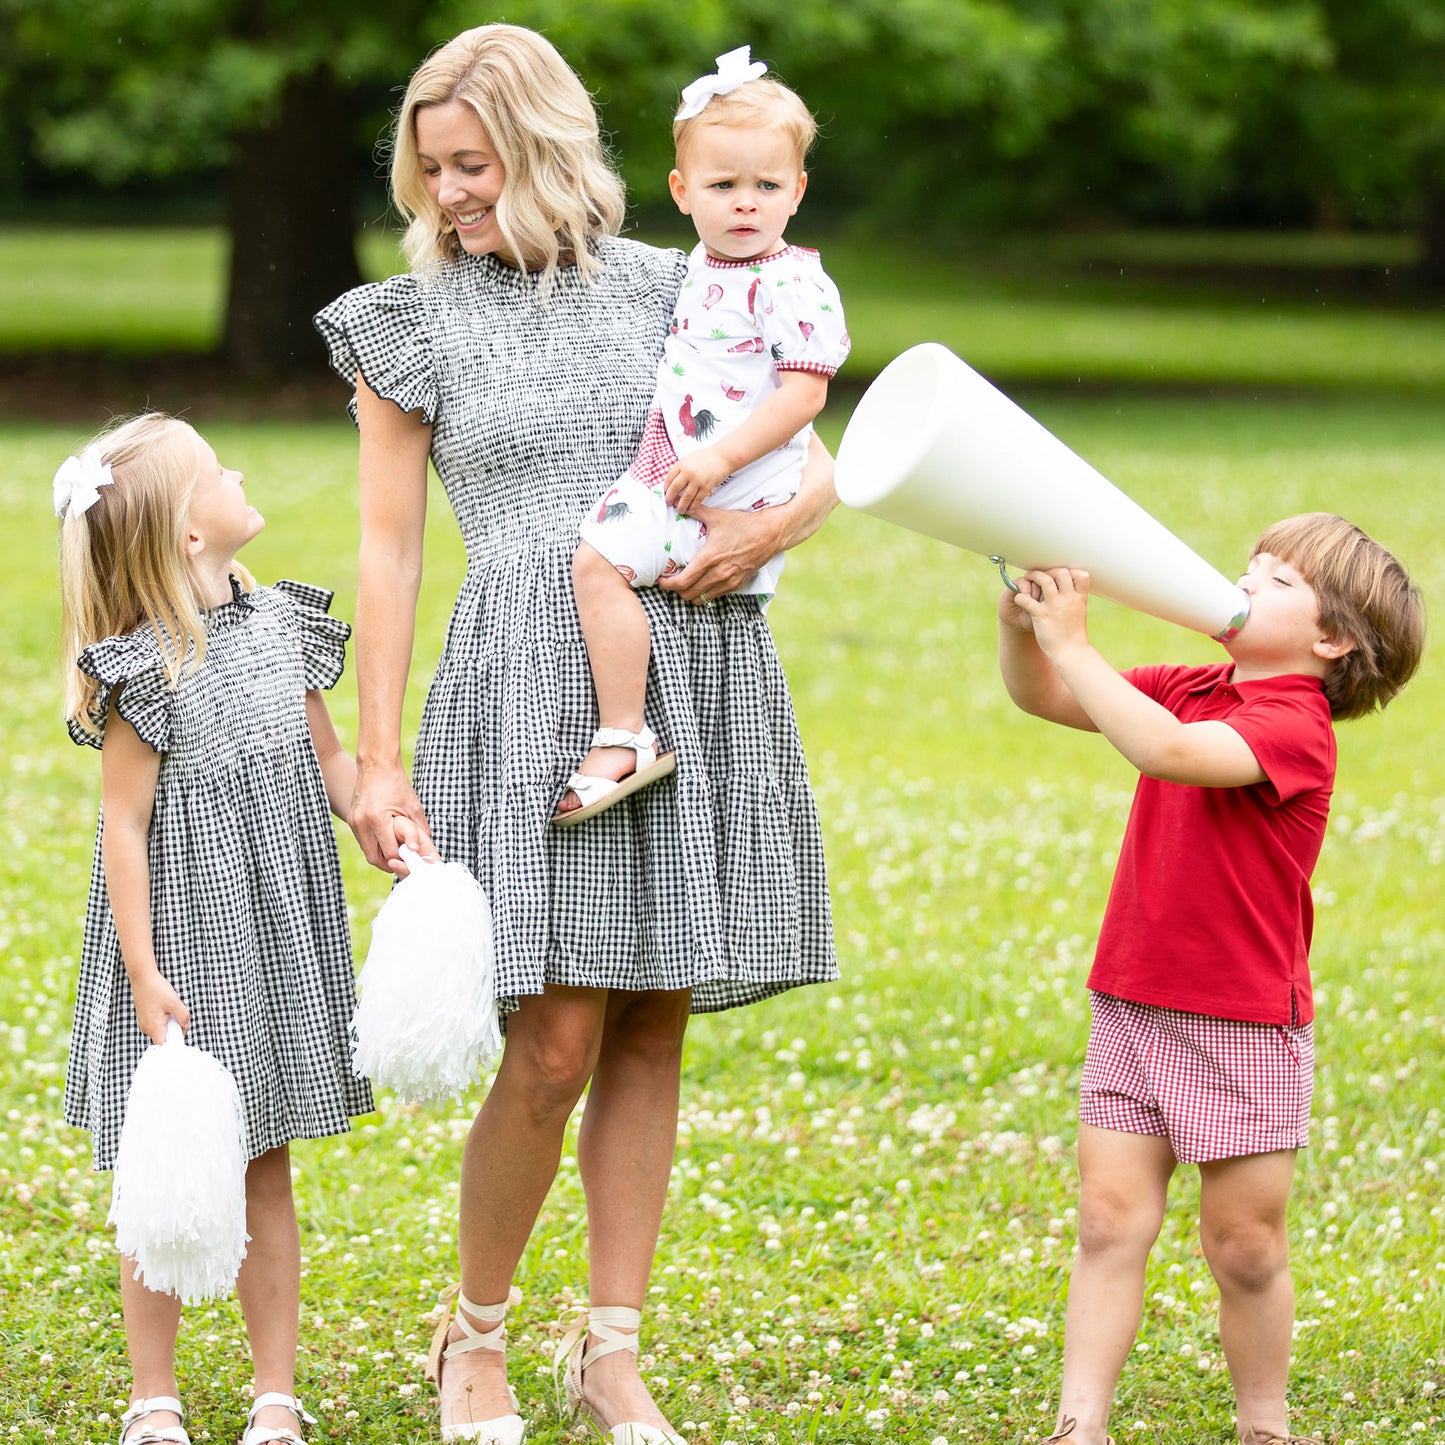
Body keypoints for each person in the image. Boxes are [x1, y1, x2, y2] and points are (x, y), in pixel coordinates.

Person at [313, 24, 839, 1445]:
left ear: (544, 150)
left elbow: (812, 450)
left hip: (697, 660)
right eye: (432, 172)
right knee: (549, 1039)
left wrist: (770, 528)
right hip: (523, 681)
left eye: (473, 166)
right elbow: (388, 554)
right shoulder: (406, 322)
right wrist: (377, 758)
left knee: (654, 1024)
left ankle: (612, 1352)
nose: (451, 198)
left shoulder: (690, 284)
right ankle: (470, 1339)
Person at [996, 513, 1425, 1445]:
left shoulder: (1295, 726)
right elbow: (1050, 699)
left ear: (1331, 639)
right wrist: (1024, 628)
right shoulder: (1196, 685)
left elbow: (1168, 752)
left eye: (1273, 582)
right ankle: (1079, 1424)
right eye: (1248, 566)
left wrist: (1076, 644)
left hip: (1239, 1022)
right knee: (1108, 1220)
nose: (1240, 584)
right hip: (1133, 1000)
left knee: (1243, 1242)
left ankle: (1263, 1424)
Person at [57, 413, 372, 1445]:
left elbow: (328, 763)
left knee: (262, 1161)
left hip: (272, 939)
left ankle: (273, 1392)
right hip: (182, 946)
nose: (240, 470)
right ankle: (156, 1394)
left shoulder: (285, 622)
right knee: (168, 1171)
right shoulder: (143, 669)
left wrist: (374, 811)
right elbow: (125, 824)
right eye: (216, 471)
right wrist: (142, 967)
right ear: (192, 535)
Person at [560, 46, 849, 825]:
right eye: (724, 186)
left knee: (599, 566)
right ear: (683, 193)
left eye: (767, 186)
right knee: (598, 567)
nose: (746, 204)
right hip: (682, 467)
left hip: (733, 483)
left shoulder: (792, 281)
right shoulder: (699, 265)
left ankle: (624, 734)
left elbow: (805, 394)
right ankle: (627, 727)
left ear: (797, 191)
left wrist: (721, 457)